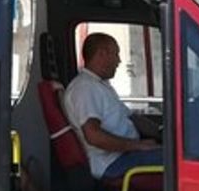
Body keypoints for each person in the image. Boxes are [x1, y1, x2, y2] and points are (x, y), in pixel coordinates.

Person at [61, 33, 161, 181]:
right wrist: (137, 146)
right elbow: (93, 136)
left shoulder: (101, 85)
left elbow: (131, 117)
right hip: (112, 163)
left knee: (176, 152)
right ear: (102, 54)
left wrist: (162, 133)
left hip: (124, 155)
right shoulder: (84, 88)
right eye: (116, 54)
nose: (119, 61)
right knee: (181, 160)